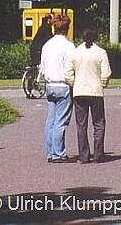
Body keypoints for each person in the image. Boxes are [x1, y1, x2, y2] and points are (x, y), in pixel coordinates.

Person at [65, 29, 111, 163]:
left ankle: (84, 156)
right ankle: (98, 154)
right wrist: (102, 84)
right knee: (99, 123)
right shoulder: (101, 52)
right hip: (95, 91)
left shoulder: (75, 52)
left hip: (79, 91)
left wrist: (75, 84)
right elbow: (106, 73)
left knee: (81, 124)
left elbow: (67, 73)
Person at [40, 13, 75, 162]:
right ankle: (59, 153)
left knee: (51, 120)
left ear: (54, 27)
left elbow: (42, 67)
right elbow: (72, 67)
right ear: (67, 28)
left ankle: (50, 152)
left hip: (50, 85)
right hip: (63, 85)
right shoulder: (69, 46)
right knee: (61, 121)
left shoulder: (47, 45)